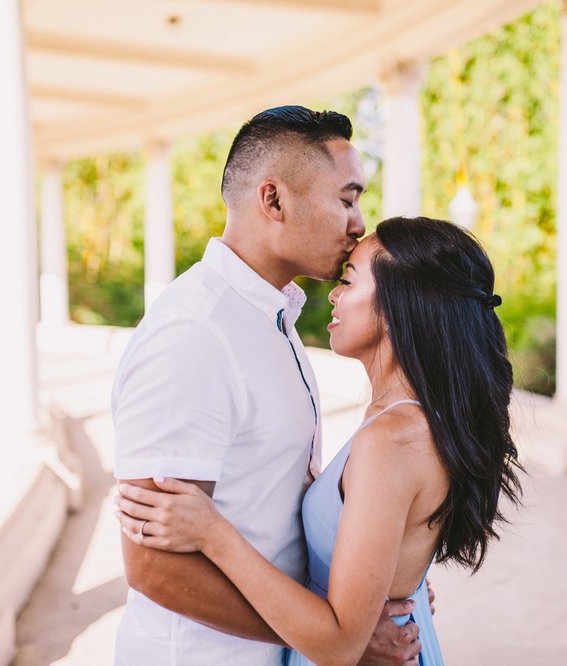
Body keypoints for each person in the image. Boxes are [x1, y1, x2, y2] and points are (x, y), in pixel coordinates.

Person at [116, 216, 524, 665]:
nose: (334, 294)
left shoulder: (393, 439)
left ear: (398, 305)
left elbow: (340, 644)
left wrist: (212, 533)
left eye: (349, 282)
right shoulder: (404, 419)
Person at [111, 107, 425, 665]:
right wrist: (335, 637)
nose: (358, 223)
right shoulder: (195, 333)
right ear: (274, 200)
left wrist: (370, 590)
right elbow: (153, 564)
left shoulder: (272, 317)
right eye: (347, 199)